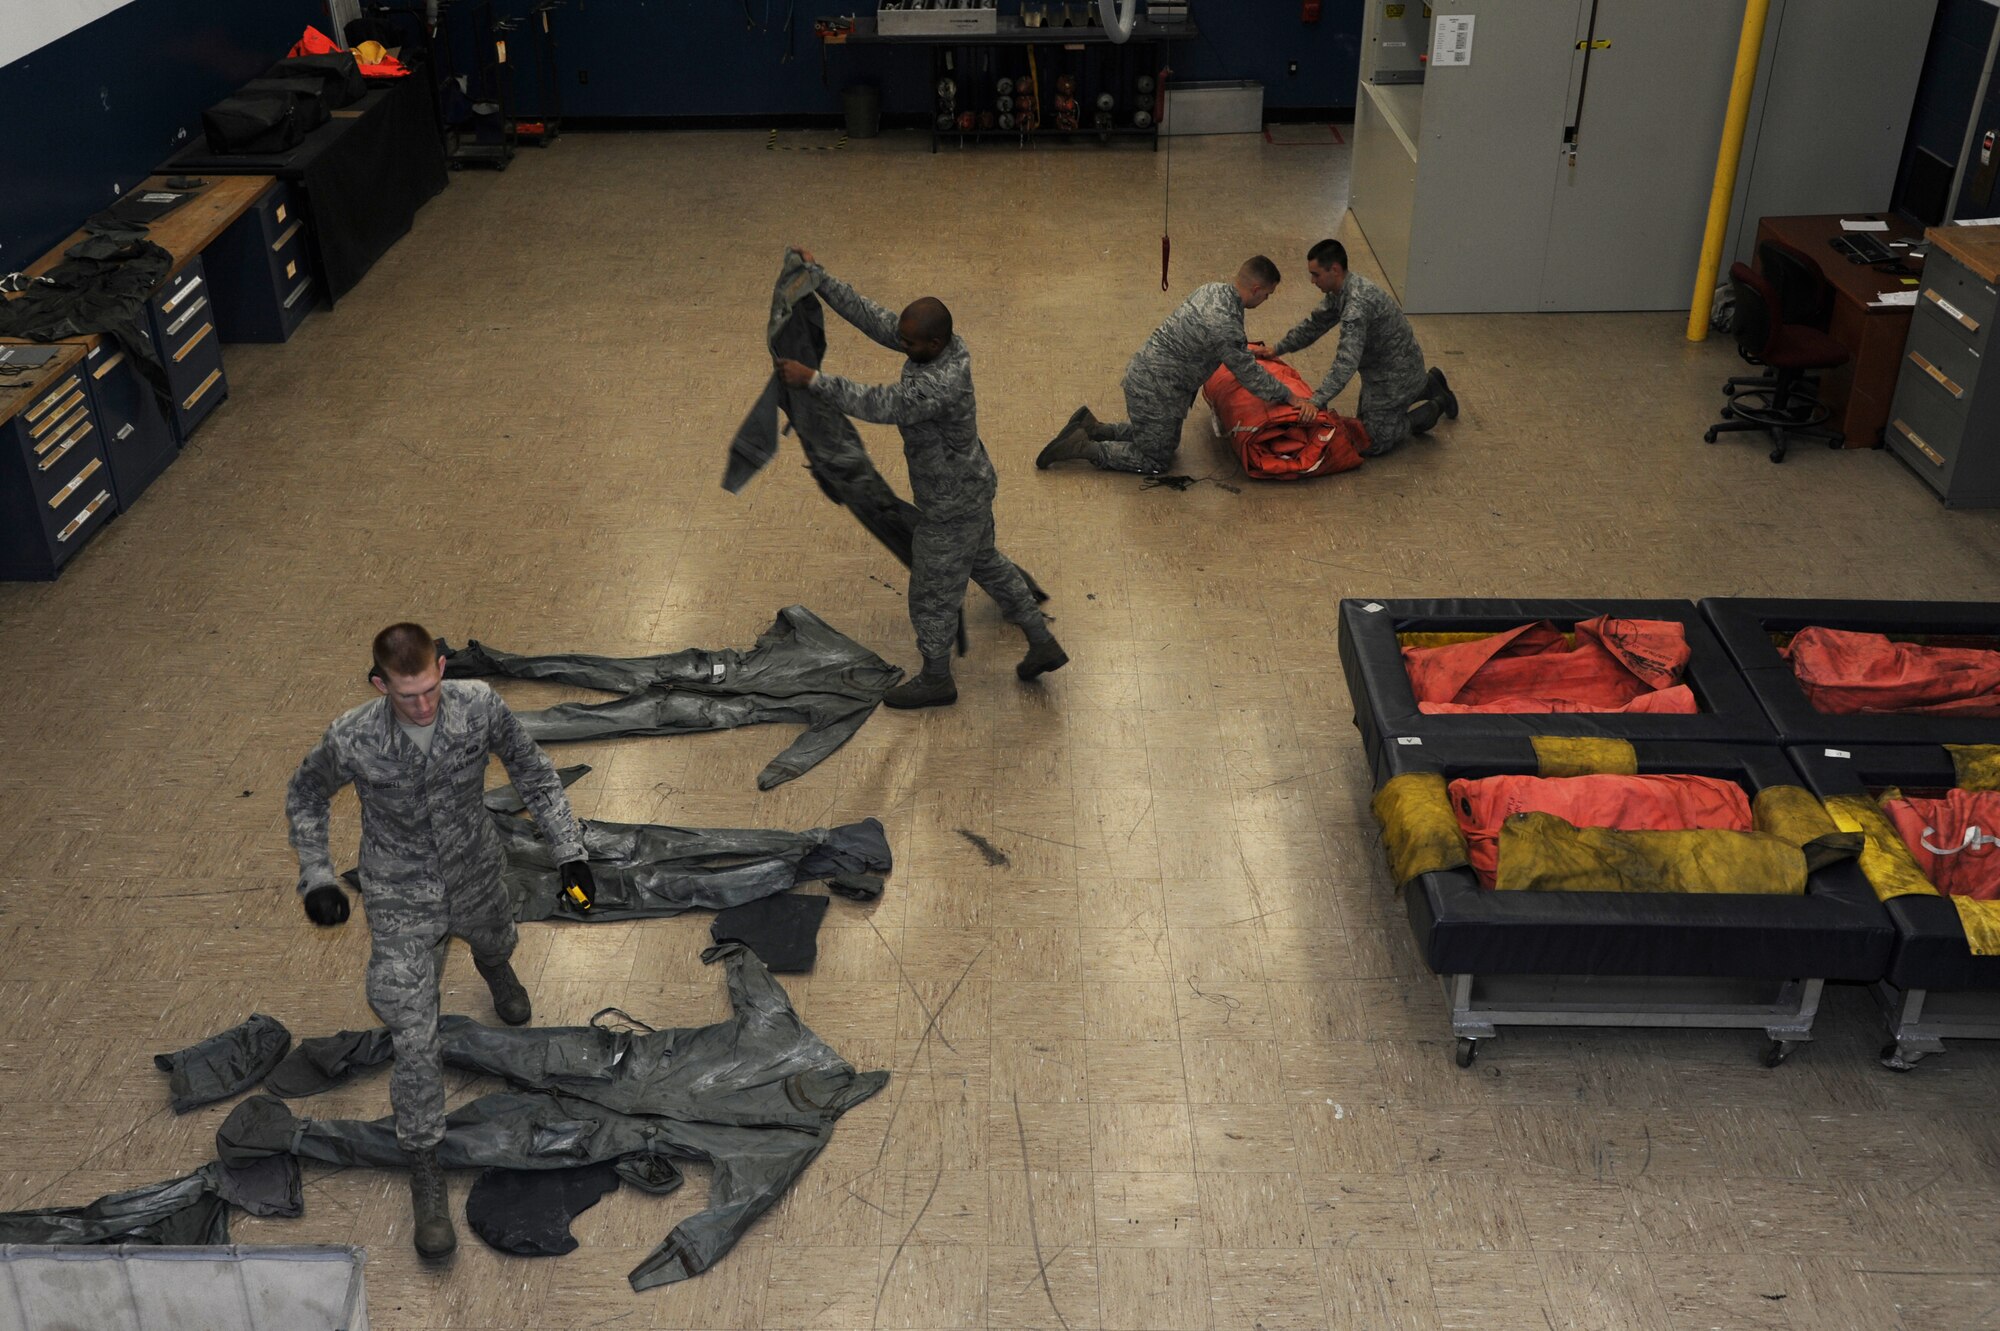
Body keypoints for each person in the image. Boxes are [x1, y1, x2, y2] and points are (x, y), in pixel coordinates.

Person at [284, 622, 598, 1259]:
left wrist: (570, 852)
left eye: (430, 688)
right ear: (380, 685)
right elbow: (306, 793)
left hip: (476, 869)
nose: (424, 704)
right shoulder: (353, 735)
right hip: (401, 893)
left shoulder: (478, 705)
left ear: (443, 668)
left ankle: (494, 965)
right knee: (414, 1033)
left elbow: (534, 773)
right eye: (408, 695)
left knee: (496, 937)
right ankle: (424, 1164)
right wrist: (317, 875)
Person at [774, 247, 1066, 710]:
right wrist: (820, 279)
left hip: (949, 505)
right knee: (988, 563)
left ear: (933, 343)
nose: (902, 345)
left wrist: (813, 380)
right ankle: (1041, 642)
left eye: (910, 344)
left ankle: (936, 679)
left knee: (931, 595)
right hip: (972, 488)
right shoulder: (943, 345)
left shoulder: (937, 386)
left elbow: (878, 403)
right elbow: (876, 320)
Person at [1037, 255, 1304, 474]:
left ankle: (1093, 428)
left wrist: (1246, 352)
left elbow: (1220, 343)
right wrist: (1290, 397)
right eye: (1267, 294)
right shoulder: (1224, 323)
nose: (1266, 300)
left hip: (1150, 376)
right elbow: (1249, 375)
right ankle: (1082, 447)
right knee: (1155, 459)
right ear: (1256, 289)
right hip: (1156, 390)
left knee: (1162, 441)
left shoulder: (1211, 290)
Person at [1266, 238, 1457, 456]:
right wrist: (1277, 349)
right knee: (1363, 425)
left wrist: (1316, 401)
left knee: (1371, 440)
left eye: (1316, 274)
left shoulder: (1356, 307)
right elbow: (1314, 325)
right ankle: (1426, 385)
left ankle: (1437, 404)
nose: (1312, 281)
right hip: (1381, 371)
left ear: (1334, 270)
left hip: (1395, 375)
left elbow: (1346, 363)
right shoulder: (1342, 289)